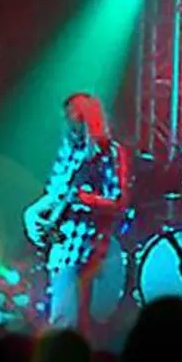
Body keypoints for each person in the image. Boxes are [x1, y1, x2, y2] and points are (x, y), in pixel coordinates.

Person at [23, 93, 129, 335]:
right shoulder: (68, 151)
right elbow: (55, 194)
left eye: (77, 115)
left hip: (89, 246)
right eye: (69, 115)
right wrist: (32, 214)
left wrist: (85, 198)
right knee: (60, 320)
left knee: (69, 324)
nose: (71, 121)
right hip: (61, 246)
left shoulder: (110, 153)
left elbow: (118, 201)